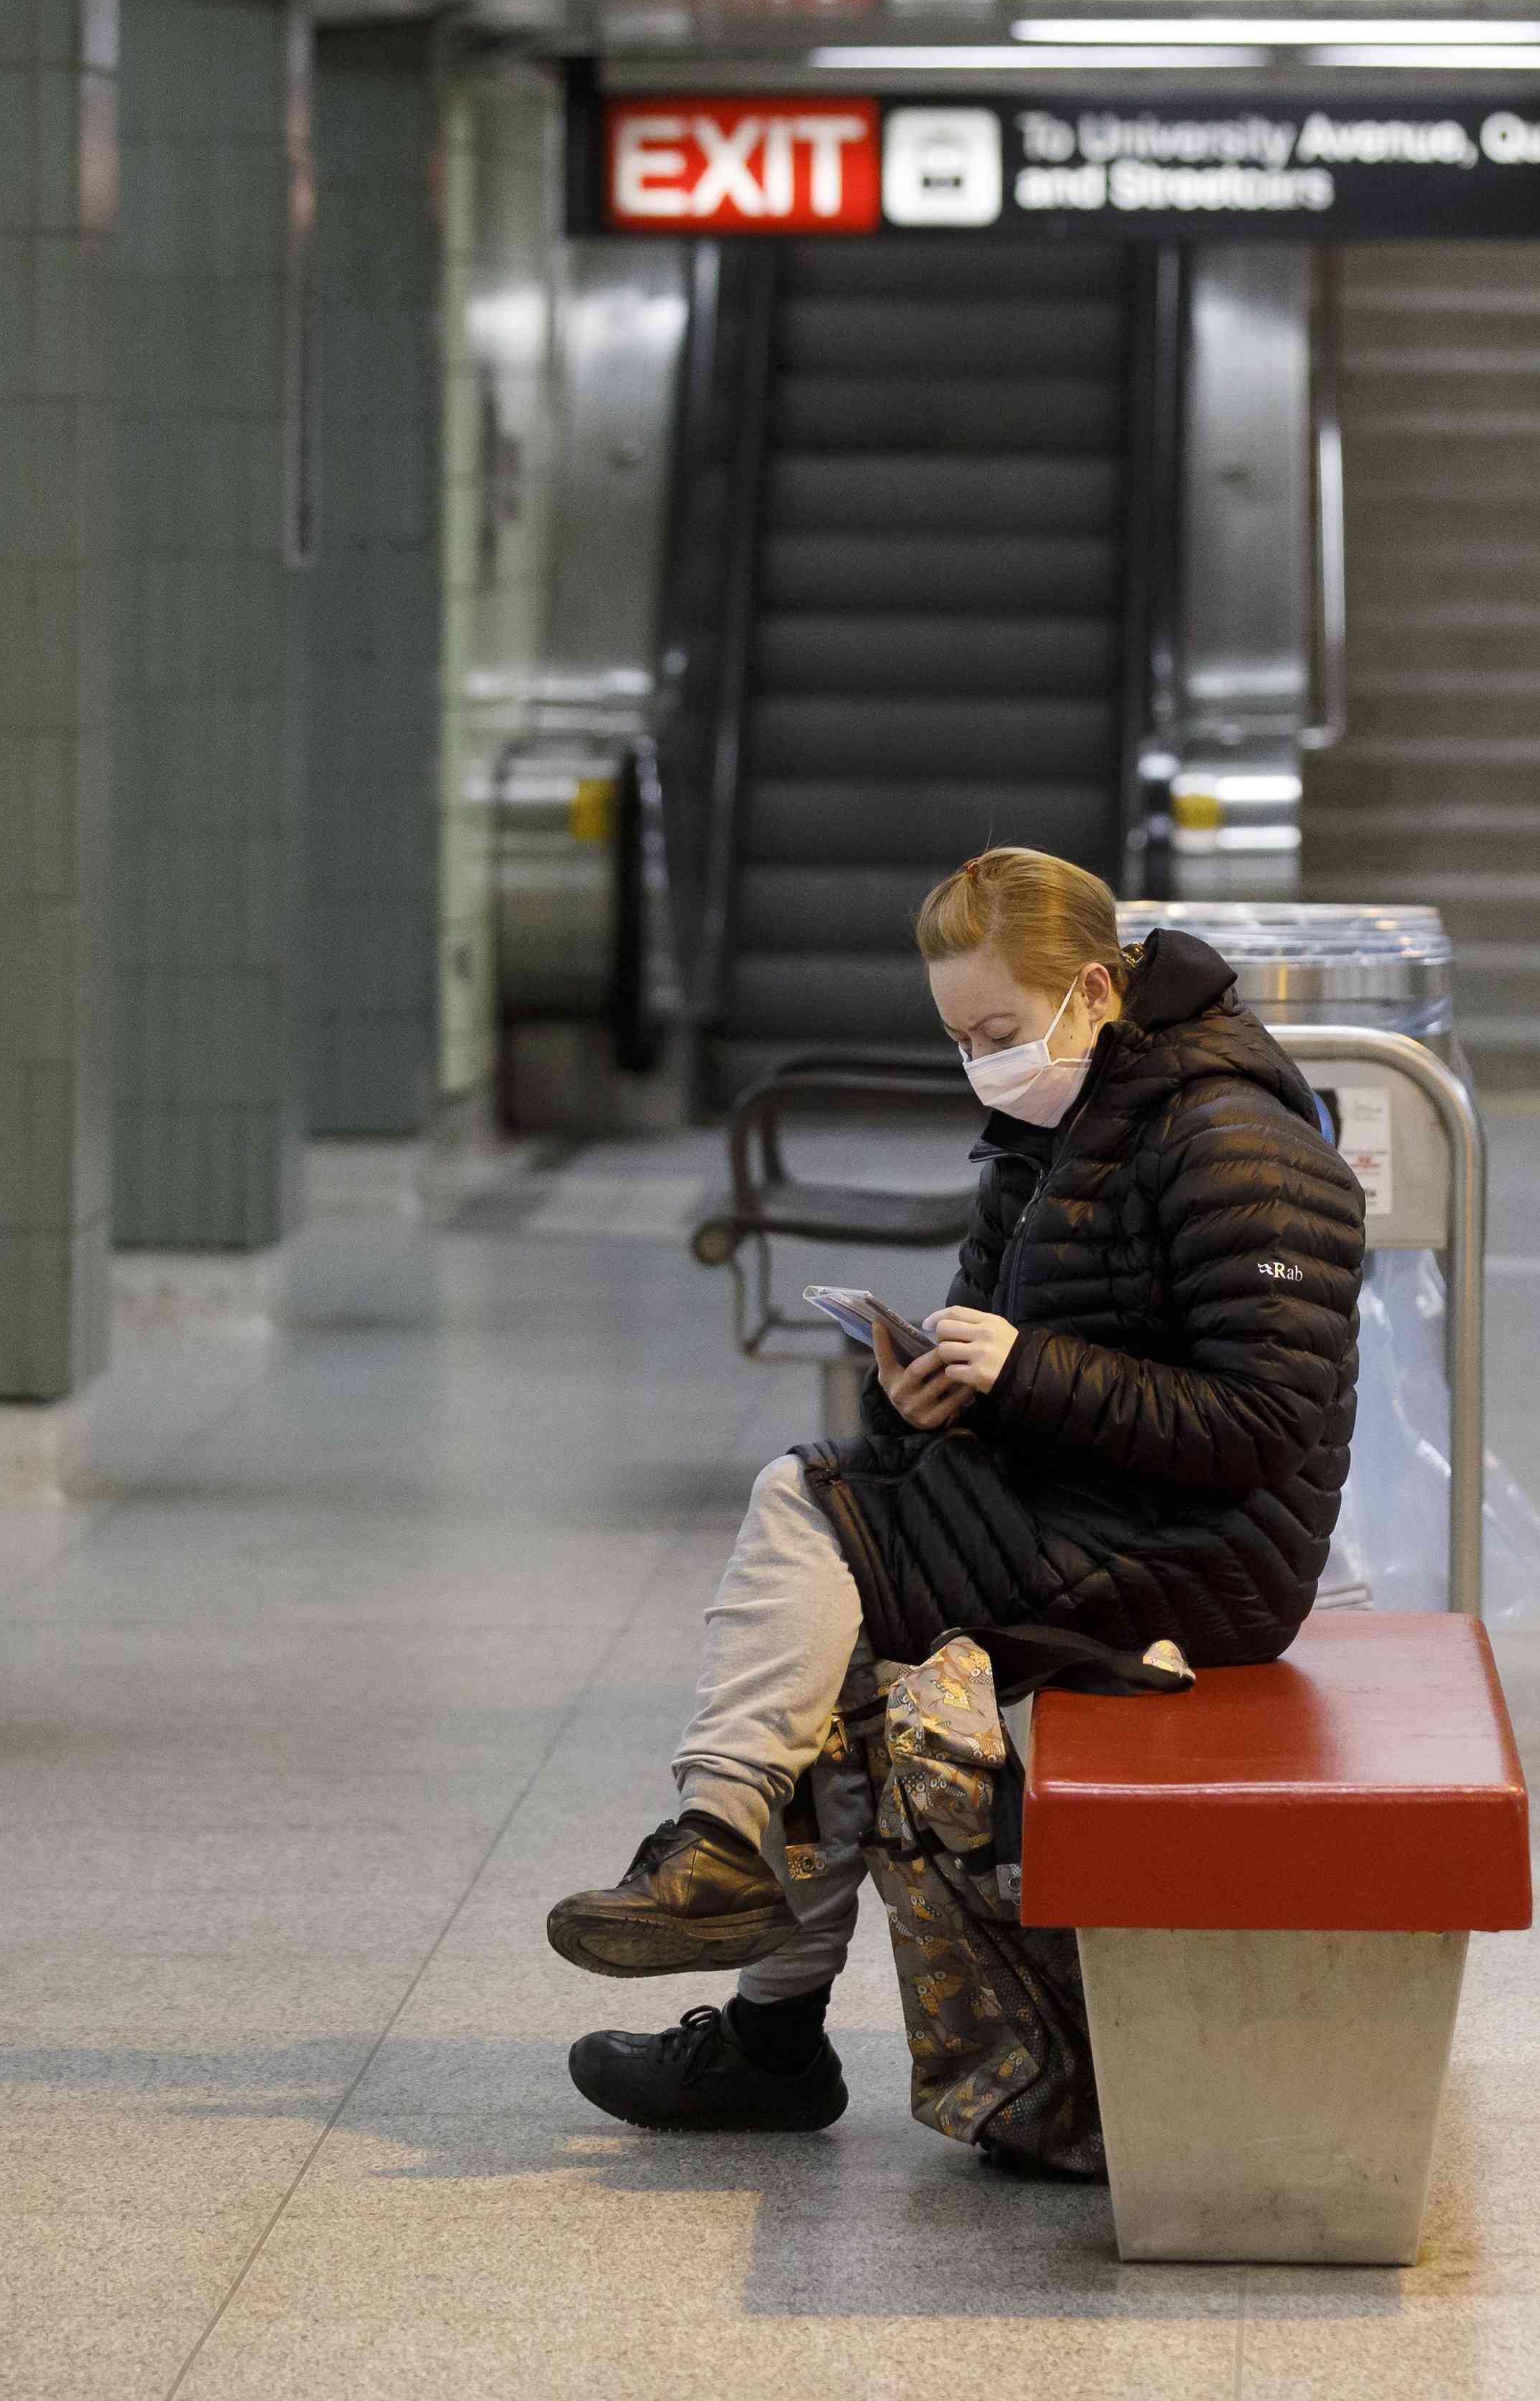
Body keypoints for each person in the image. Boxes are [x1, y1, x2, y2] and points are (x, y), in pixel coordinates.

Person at [551, 847, 1365, 2142]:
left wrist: (1028, 1371)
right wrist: (921, 1396)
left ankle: (734, 1907)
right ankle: (747, 1961)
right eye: (958, 1039)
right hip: (1088, 1505)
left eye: (995, 1031)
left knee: (808, 1514)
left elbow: (1264, 1430)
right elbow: (992, 1354)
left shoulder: (1240, 1145)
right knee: (828, 1603)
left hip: (1206, 1556)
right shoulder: (1050, 1133)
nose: (980, 1062)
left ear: (1091, 992)